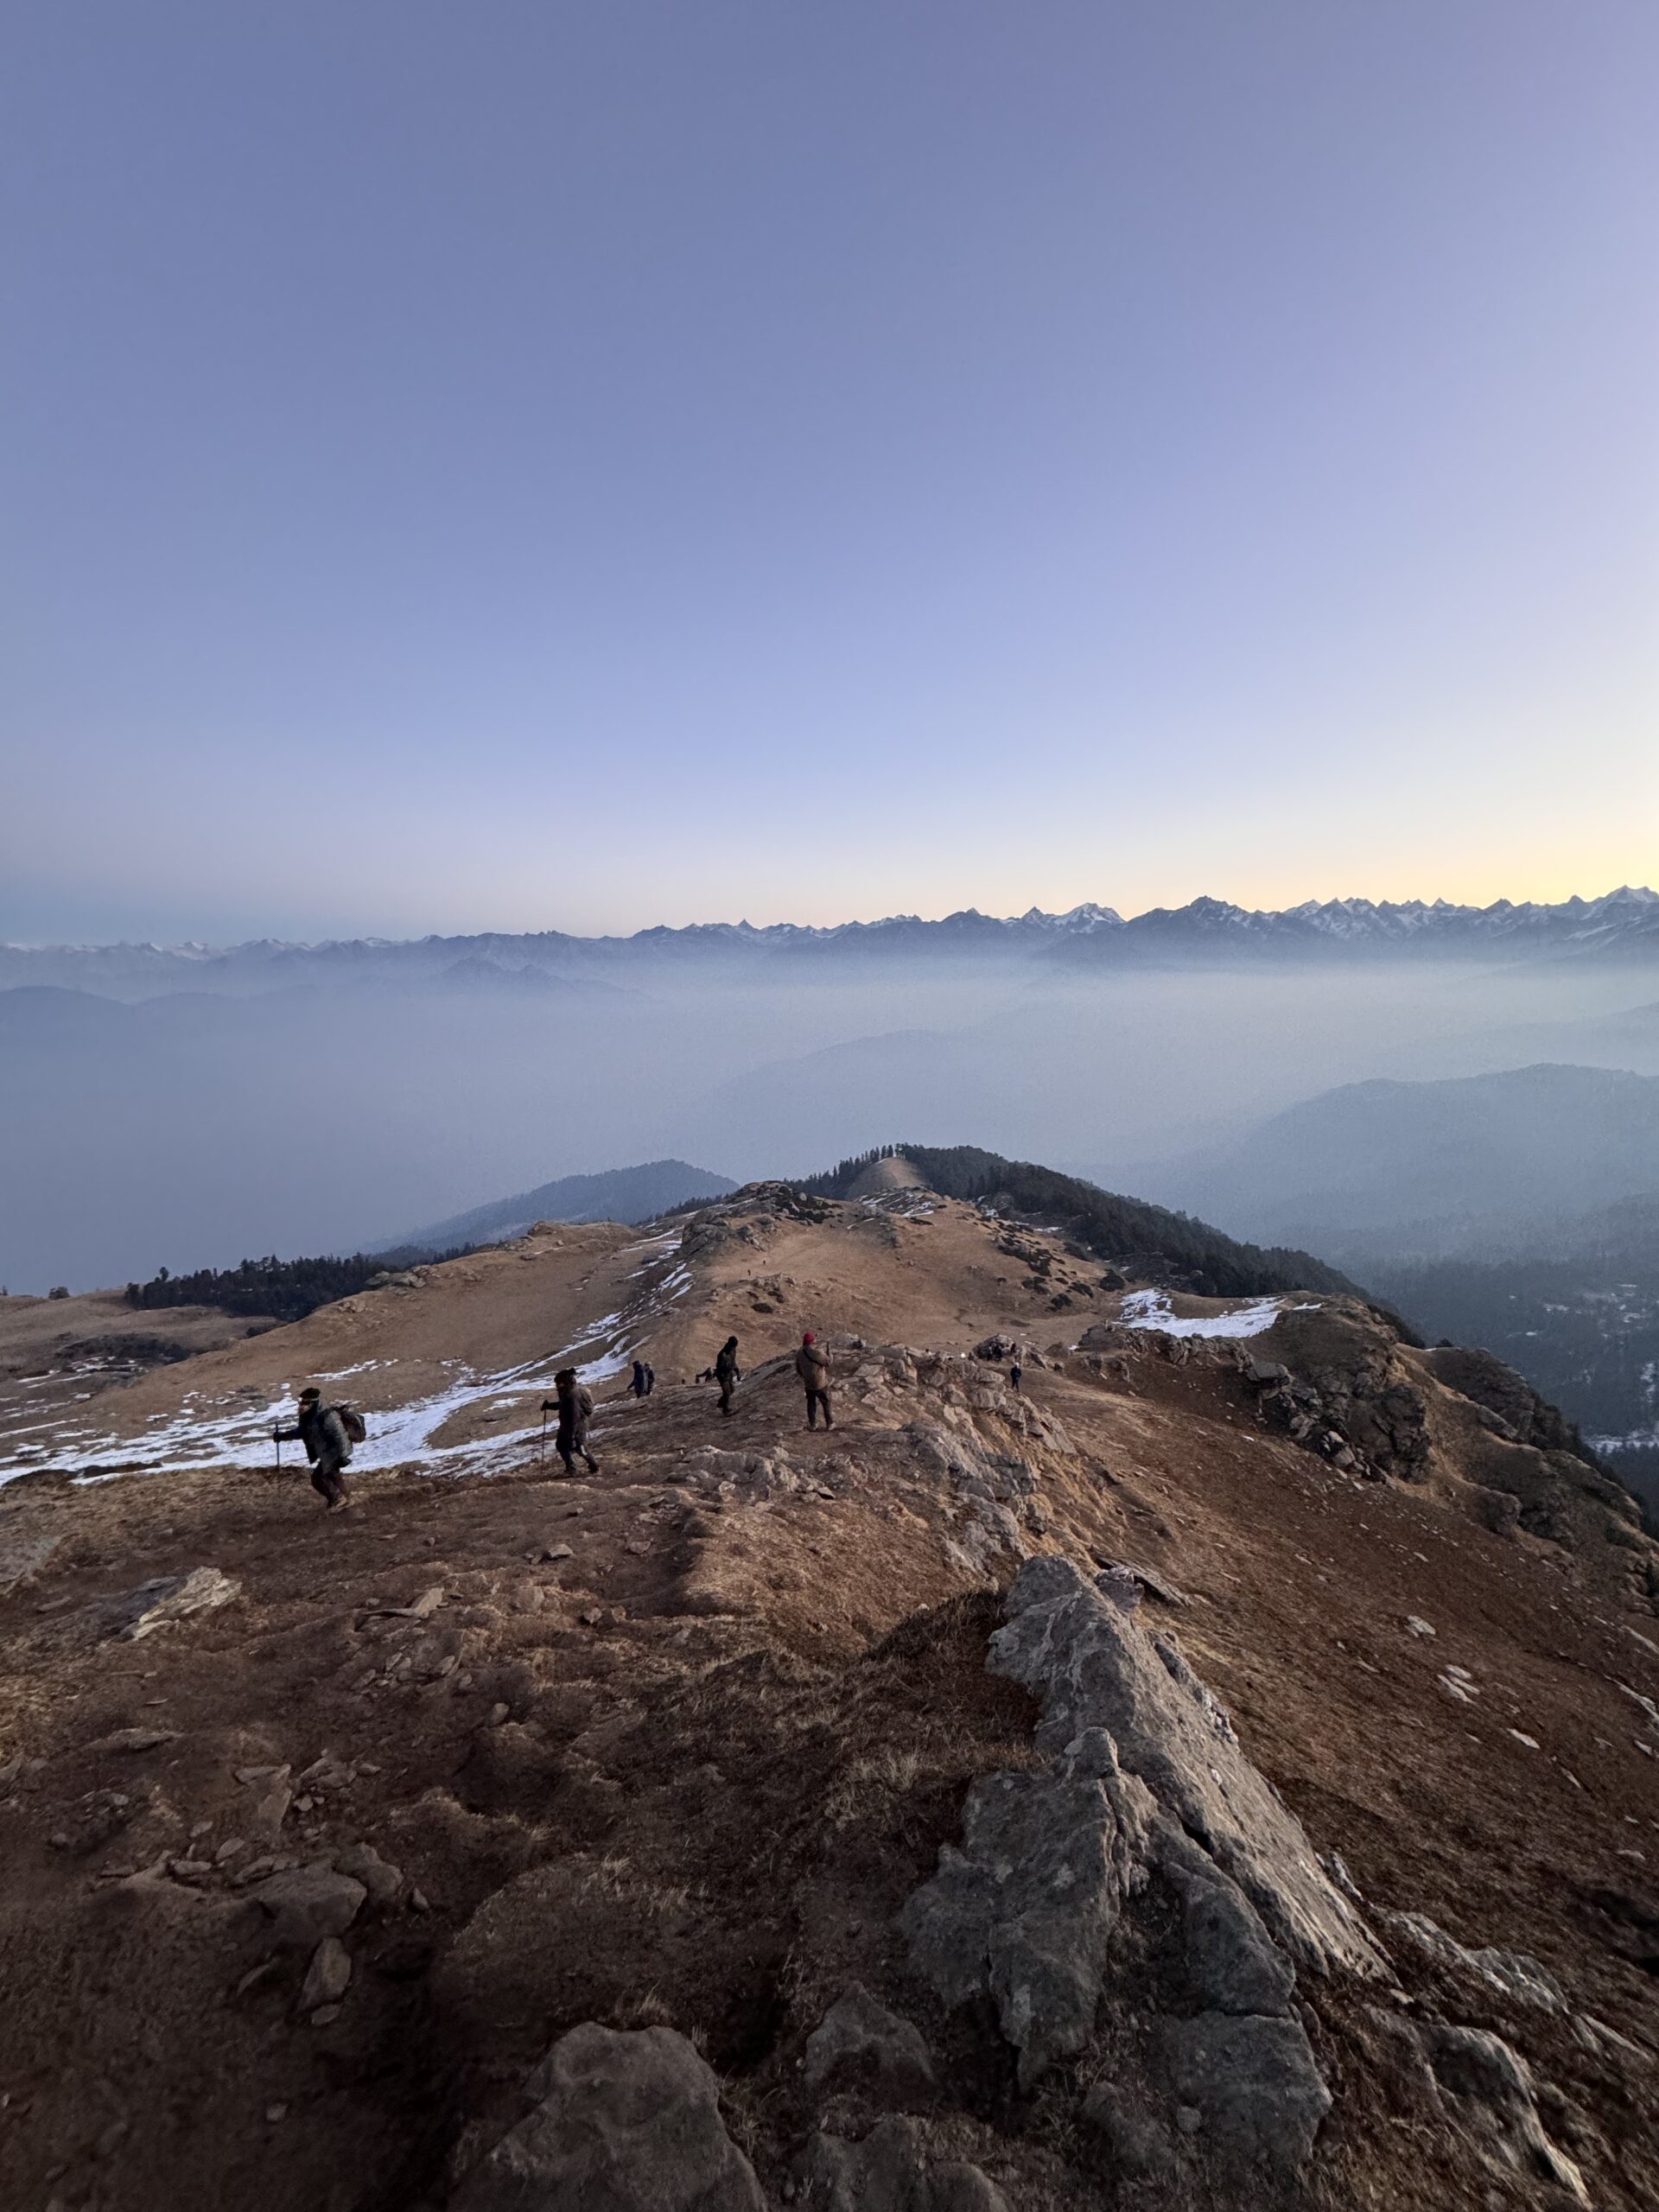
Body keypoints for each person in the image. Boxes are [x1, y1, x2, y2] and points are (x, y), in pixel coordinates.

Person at [274, 1385, 353, 1509]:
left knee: (317, 1478)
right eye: (301, 1402)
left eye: (304, 1403)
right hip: (327, 1451)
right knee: (333, 1475)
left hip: (334, 1451)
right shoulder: (309, 1415)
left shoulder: (325, 1416)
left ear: (312, 1403)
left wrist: (342, 1455)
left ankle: (338, 1499)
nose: (301, 1405)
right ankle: (345, 1499)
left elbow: (339, 1436)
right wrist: (282, 1437)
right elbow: (302, 1431)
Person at [545, 1367, 599, 1476]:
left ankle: (575, 1468)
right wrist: (549, 1406)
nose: (557, 1386)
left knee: (575, 1447)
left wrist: (572, 1436)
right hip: (574, 1426)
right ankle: (592, 1466)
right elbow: (563, 1405)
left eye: (558, 1383)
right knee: (570, 1446)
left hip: (574, 1427)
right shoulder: (570, 1392)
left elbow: (574, 1417)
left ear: (564, 1382)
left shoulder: (571, 1396)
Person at [795, 1331, 833, 1430]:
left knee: (811, 1403)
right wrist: (829, 1349)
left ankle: (813, 1424)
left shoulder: (800, 1352)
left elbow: (798, 1369)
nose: (816, 1339)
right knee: (826, 1401)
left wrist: (806, 1376)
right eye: (814, 1338)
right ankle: (830, 1424)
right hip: (820, 1383)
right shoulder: (816, 1352)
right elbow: (828, 1362)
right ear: (812, 1341)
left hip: (808, 1383)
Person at [714, 1335, 741, 1416]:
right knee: (727, 1392)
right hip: (722, 1375)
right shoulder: (722, 1355)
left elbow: (733, 1362)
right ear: (728, 1344)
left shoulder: (733, 1351)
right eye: (732, 1346)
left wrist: (737, 1372)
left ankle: (721, 1403)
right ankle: (726, 1410)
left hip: (729, 1374)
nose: (733, 1348)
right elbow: (720, 1368)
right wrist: (723, 1378)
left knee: (732, 1390)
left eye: (734, 1347)